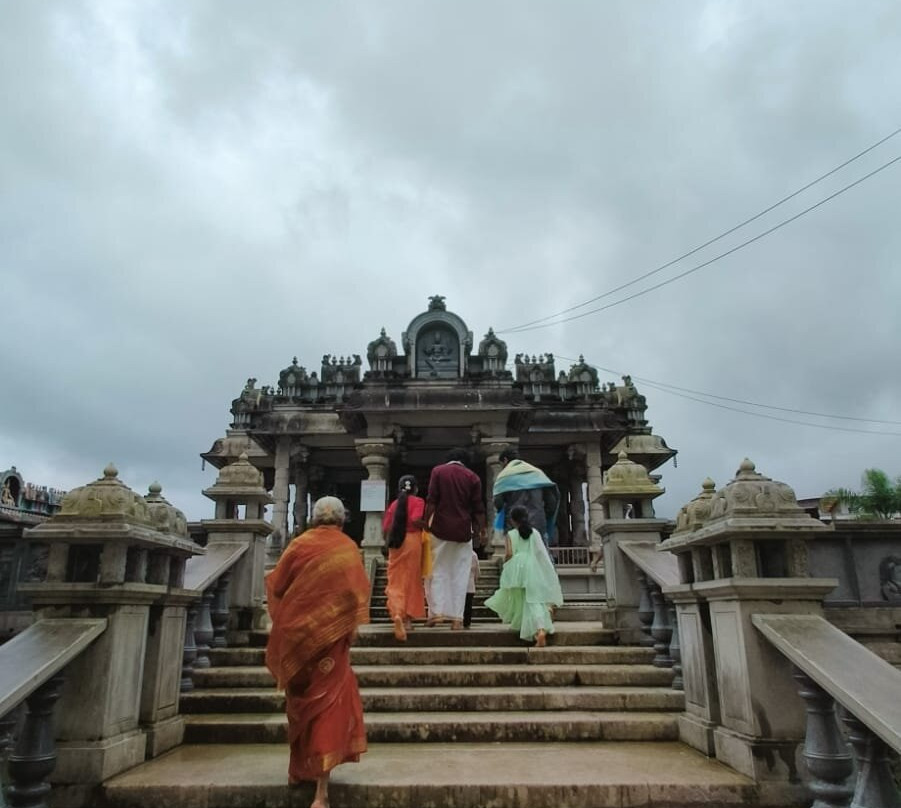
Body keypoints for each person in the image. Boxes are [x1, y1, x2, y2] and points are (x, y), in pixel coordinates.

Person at [265, 496, 370, 808]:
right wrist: (345, 624)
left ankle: (297, 770)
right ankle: (320, 794)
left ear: (313, 518)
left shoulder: (298, 545)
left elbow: (277, 585)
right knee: (327, 708)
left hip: (297, 639)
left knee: (299, 706)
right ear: (341, 519)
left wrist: (297, 610)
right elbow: (356, 594)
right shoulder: (348, 549)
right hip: (331, 641)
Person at [423, 448, 486, 630]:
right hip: (463, 531)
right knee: (460, 574)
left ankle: (436, 614)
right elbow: (478, 508)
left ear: (449, 460)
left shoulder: (438, 471)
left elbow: (432, 500)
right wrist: (482, 530)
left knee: (437, 571)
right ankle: (457, 619)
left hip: (440, 528)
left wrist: (427, 522)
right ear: (464, 461)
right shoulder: (473, 477)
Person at [485, 505, 564, 647]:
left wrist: (507, 569)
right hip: (532, 567)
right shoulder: (534, 533)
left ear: (513, 520)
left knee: (523, 598)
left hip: (517, 567)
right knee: (535, 599)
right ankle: (539, 629)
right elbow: (541, 553)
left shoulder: (511, 534)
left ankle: (534, 630)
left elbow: (508, 554)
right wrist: (547, 570)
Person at [382, 475, 427, 641]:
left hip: (396, 542)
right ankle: (407, 619)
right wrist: (428, 525)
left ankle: (397, 614)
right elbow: (416, 520)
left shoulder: (394, 504)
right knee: (411, 579)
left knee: (395, 580)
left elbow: (386, 526)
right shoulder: (418, 501)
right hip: (413, 541)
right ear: (415, 488)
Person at [493, 446, 559, 548]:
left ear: (505, 460)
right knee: (539, 555)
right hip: (538, 525)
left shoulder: (505, 476)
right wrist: (542, 514)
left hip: (514, 526)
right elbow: (552, 503)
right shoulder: (537, 473)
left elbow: (498, 503)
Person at [463, 549, 480, 629]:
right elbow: (477, 571)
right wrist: (475, 580)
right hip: (470, 583)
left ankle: (458, 620)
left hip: (460, 584)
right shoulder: (474, 555)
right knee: (468, 605)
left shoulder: (459, 553)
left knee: (460, 605)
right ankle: (467, 622)